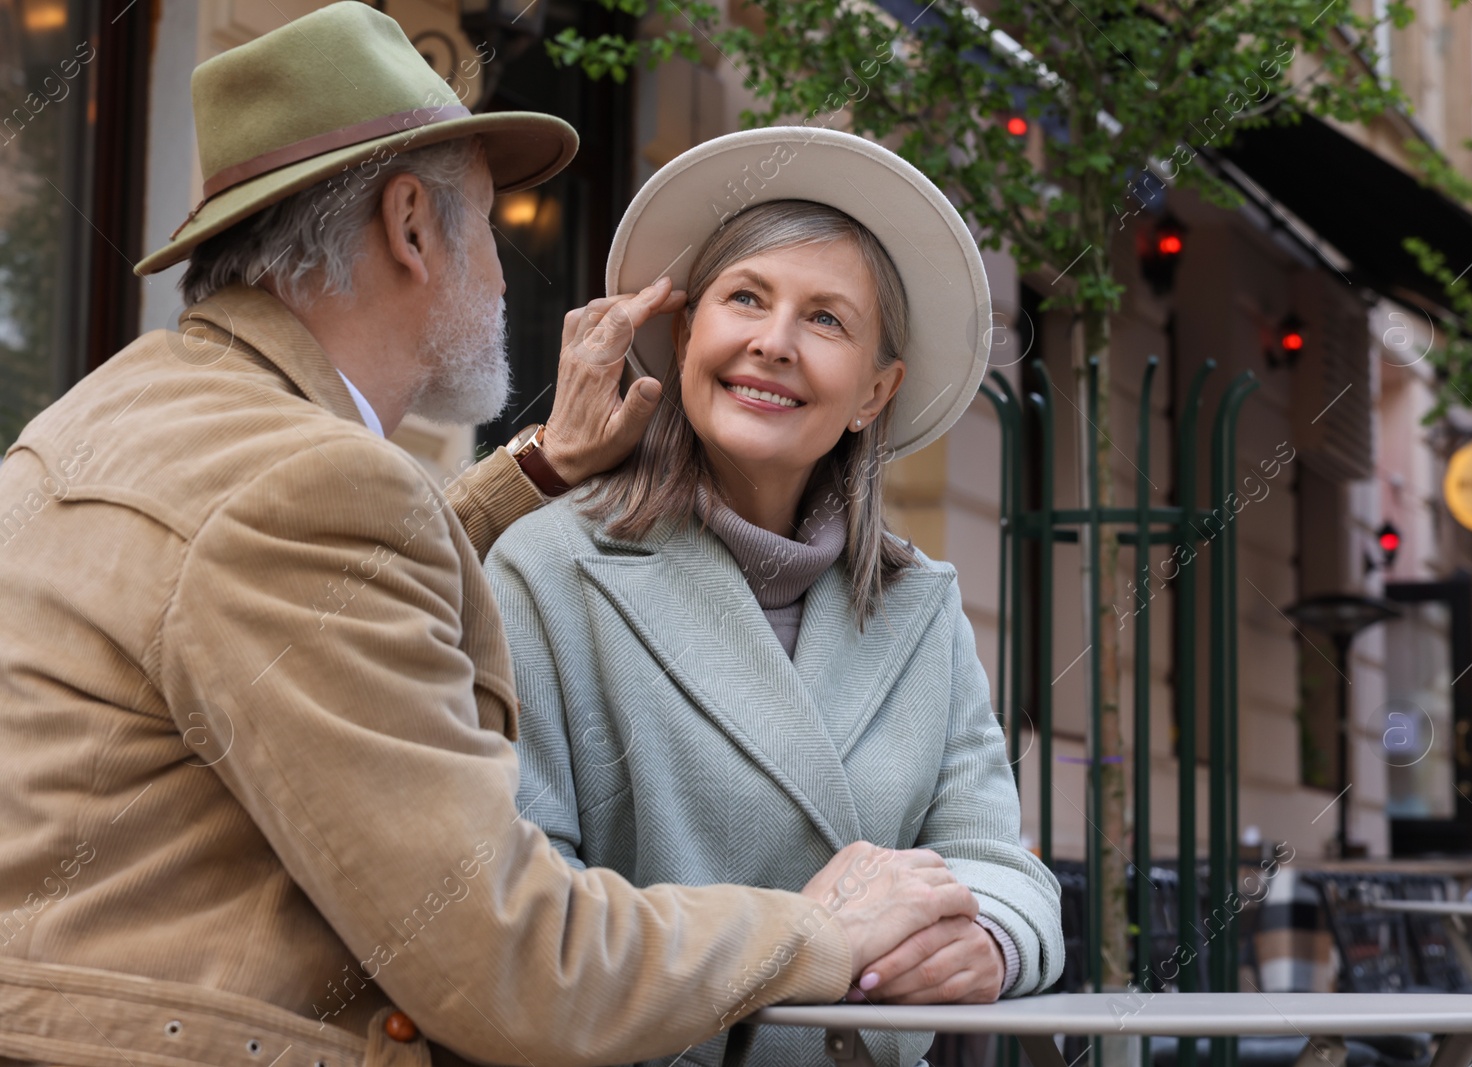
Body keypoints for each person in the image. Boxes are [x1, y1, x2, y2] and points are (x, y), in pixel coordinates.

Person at [0, 9, 982, 1067]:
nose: (508, 280)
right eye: (489, 225)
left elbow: (291, 588)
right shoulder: (309, 490)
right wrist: (821, 932)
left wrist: (533, 469)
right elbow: (511, 961)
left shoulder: (115, 414)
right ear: (412, 226)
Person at [486, 127, 1065, 1067]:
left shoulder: (921, 606)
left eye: (826, 319)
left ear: (876, 392)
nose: (773, 342)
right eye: (745, 298)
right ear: (682, 338)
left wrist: (991, 939)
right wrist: (800, 940)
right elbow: (525, 911)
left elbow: (1001, 863)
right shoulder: (548, 570)